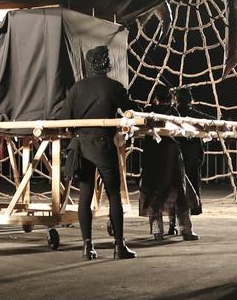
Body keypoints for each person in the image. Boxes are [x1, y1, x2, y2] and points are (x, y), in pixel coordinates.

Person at [65, 45, 135, 259]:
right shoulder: (113, 87)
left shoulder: (76, 88)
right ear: (106, 63)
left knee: (84, 196)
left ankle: (87, 247)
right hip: (103, 144)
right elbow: (131, 111)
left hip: (80, 145)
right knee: (113, 194)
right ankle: (118, 246)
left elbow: (65, 117)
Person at [137, 84, 199, 241]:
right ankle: (186, 230)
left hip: (152, 156)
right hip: (170, 156)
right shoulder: (172, 112)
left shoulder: (148, 112)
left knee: (154, 192)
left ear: (156, 98)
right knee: (179, 191)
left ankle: (157, 231)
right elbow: (181, 129)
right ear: (170, 98)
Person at [169, 86, 205, 236]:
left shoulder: (172, 112)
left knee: (173, 186)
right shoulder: (190, 113)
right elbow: (208, 119)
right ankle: (185, 225)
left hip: (173, 155)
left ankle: (172, 224)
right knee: (186, 190)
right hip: (188, 155)